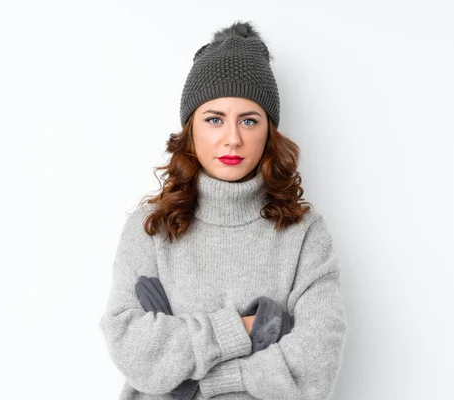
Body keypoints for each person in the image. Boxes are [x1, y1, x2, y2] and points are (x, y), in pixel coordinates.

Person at [98, 20, 348, 400]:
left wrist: (197, 377)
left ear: (269, 132)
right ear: (190, 129)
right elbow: (132, 348)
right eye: (214, 119)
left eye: (249, 120)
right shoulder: (151, 228)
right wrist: (247, 328)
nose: (232, 138)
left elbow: (314, 367)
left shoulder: (304, 233)